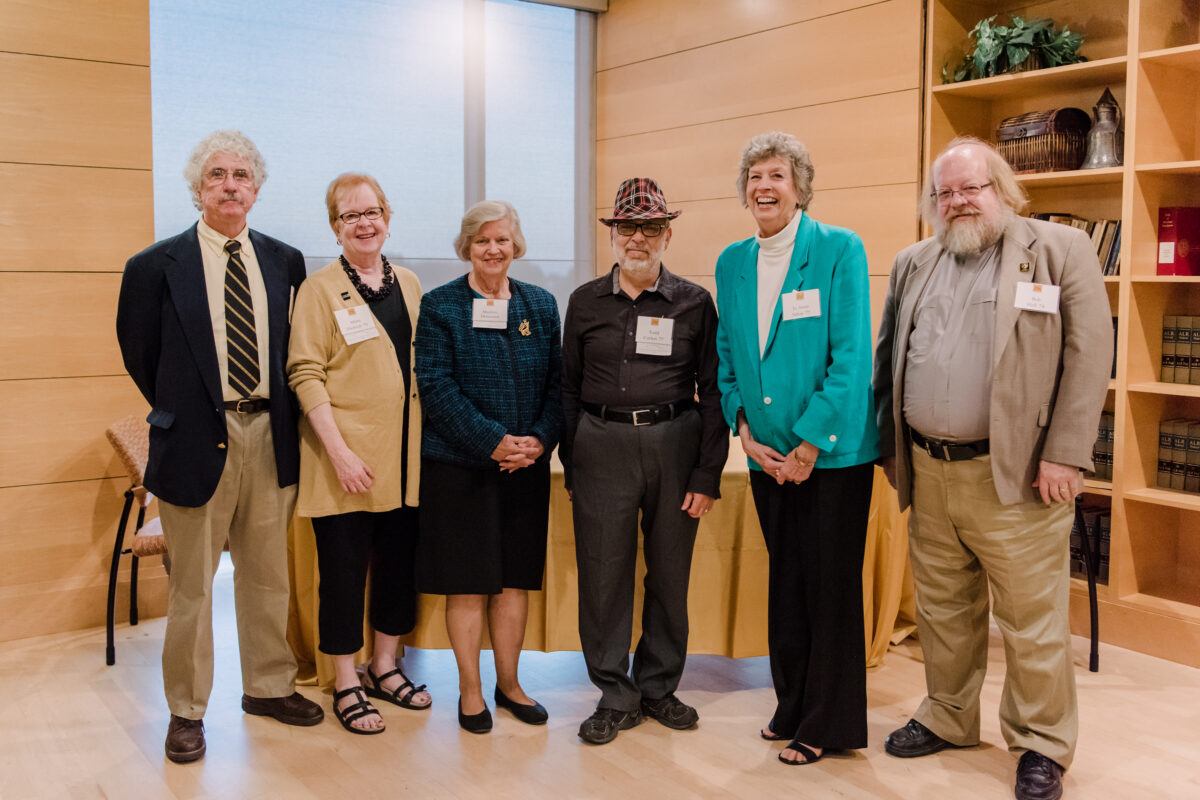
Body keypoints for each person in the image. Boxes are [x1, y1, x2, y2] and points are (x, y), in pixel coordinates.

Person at [873, 136, 1112, 800]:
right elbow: (890, 359)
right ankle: (948, 717)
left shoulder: (1059, 252)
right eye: (945, 193)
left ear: (1002, 189)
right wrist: (891, 451)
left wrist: (1066, 451)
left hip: (1019, 474)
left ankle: (1041, 744)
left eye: (970, 188)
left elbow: (1090, 357)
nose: (958, 202)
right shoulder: (913, 262)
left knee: (1031, 621)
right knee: (943, 611)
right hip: (930, 470)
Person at [116, 130, 322, 763]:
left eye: (241, 175)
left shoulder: (286, 261)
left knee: (267, 576)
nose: (229, 184)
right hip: (196, 439)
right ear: (198, 188)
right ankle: (187, 710)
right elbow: (140, 353)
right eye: (216, 175)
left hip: (270, 435)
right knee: (194, 588)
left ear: (256, 189)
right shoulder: (154, 266)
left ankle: (266, 687)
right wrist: (194, 405)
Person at [714, 132, 879, 766]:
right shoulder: (732, 262)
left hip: (830, 458)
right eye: (754, 176)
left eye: (777, 175)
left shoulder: (838, 249)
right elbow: (729, 356)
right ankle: (790, 704)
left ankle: (829, 723)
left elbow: (850, 358)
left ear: (800, 186)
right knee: (785, 583)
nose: (764, 186)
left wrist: (808, 444)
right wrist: (744, 429)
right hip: (765, 458)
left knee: (829, 588)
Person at [561, 177, 728, 746]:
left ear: (667, 234)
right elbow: (566, 387)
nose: (638, 239)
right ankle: (614, 692)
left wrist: (707, 473)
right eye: (628, 227)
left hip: (675, 444)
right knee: (604, 574)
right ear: (612, 234)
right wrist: (570, 459)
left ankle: (657, 686)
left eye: (650, 228)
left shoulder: (694, 302)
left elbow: (715, 389)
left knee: (669, 572)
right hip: (600, 445)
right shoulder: (584, 302)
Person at [286, 173, 431, 735]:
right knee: (343, 576)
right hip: (344, 462)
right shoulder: (319, 289)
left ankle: (385, 665)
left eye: (372, 212)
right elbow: (306, 372)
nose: (364, 223)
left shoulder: (412, 283)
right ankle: (346, 679)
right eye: (350, 216)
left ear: (387, 218)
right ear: (335, 227)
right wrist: (340, 453)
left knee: (399, 569)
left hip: (406, 462)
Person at [414, 200, 562, 734]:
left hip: (525, 469)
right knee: (468, 585)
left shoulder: (541, 306)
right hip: (460, 470)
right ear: (466, 248)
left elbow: (557, 387)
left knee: (514, 583)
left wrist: (540, 441)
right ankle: (471, 691)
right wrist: (493, 441)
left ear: (515, 245)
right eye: (482, 241)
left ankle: (510, 684)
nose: (493, 249)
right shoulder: (441, 306)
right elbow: (435, 387)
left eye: (502, 240)